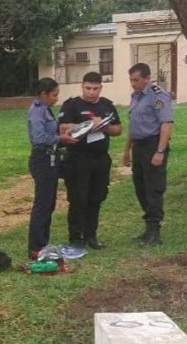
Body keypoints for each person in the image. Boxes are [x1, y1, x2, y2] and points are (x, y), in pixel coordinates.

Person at [58, 72, 121, 250]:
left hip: (100, 159)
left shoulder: (107, 106)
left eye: (95, 88)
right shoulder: (72, 105)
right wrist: (87, 125)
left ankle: (91, 236)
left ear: (101, 88)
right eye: (88, 88)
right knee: (78, 199)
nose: (91, 92)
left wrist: (104, 126)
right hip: (78, 159)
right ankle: (75, 238)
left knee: (96, 198)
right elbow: (62, 127)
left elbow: (118, 129)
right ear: (82, 87)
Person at [122, 63, 173, 246]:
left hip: (153, 144)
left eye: (136, 80)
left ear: (147, 78)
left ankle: (155, 232)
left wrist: (160, 151)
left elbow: (166, 124)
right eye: (131, 80)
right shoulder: (135, 96)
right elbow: (132, 125)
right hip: (138, 146)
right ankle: (148, 228)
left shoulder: (158, 95)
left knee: (153, 188)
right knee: (140, 187)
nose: (133, 84)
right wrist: (127, 150)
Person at [27, 77, 78, 257]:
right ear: (43, 94)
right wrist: (60, 139)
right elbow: (39, 138)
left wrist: (64, 133)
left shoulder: (45, 110)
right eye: (54, 95)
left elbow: (50, 133)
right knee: (42, 204)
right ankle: (36, 247)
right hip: (42, 159)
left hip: (51, 159)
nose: (57, 98)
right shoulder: (36, 112)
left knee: (49, 204)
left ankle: (43, 243)